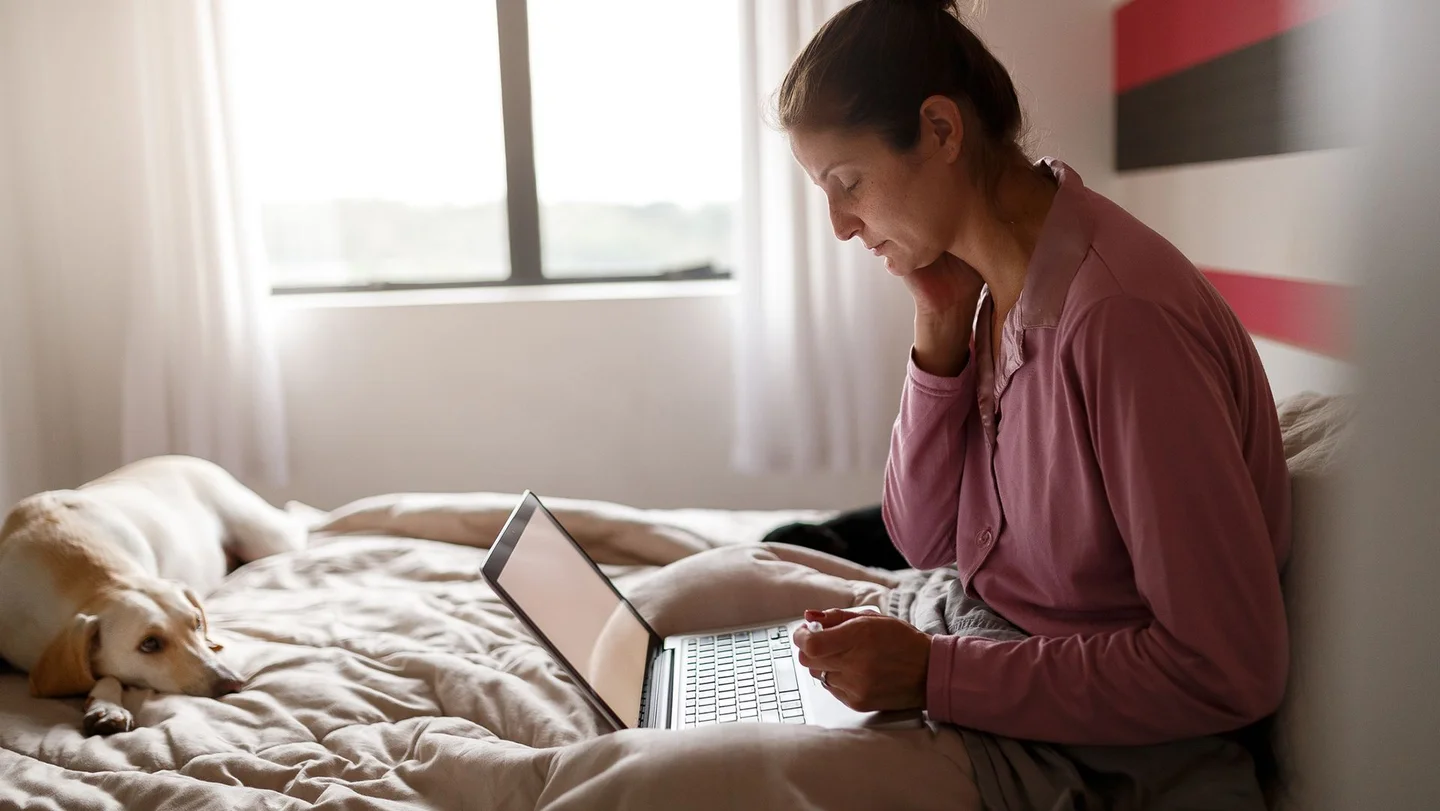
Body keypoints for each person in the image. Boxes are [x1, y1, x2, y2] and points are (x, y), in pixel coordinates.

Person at [788, 0, 1291, 747]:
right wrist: (939, 332)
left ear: (941, 129)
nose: (838, 223)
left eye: (848, 181)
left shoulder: (1121, 318)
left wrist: (935, 675)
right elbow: (923, 539)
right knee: (718, 610)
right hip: (984, 635)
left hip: (1104, 741)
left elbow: (1226, 667)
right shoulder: (991, 286)